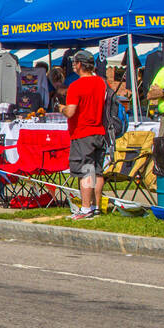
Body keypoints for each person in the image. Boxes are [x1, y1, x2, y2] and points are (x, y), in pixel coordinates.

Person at [60, 50, 108, 220]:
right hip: (99, 131)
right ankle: (96, 206)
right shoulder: (101, 83)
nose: (73, 65)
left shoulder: (76, 85)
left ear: (79, 65)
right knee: (97, 171)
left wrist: (62, 109)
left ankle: (86, 208)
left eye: (75, 63)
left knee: (86, 171)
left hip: (82, 132)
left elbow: (71, 112)